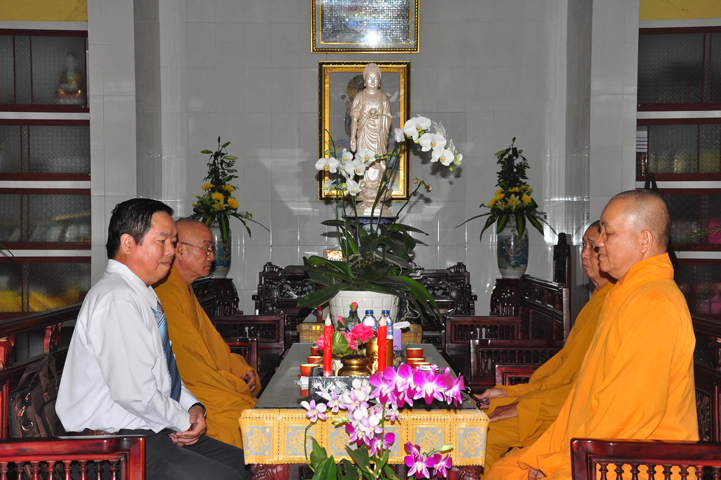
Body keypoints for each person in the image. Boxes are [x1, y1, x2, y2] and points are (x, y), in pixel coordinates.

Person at [484, 190, 698, 480]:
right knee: (505, 470)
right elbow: (585, 394)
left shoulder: (655, 304)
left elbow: (629, 415)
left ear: (644, 241)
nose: (599, 243)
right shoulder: (627, 295)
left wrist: (562, 461)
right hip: (597, 448)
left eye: (608, 233)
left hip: (634, 462)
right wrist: (551, 452)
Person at [56, 198, 250, 480]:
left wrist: (193, 406)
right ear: (127, 243)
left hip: (149, 429)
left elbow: (164, 374)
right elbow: (134, 393)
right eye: (162, 241)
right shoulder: (117, 298)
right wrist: (182, 420)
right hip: (111, 446)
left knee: (246, 464)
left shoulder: (142, 294)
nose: (171, 251)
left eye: (173, 242)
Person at [474, 221, 613, 472]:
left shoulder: (615, 304)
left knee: (485, 435)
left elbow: (586, 388)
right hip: (554, 400)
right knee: (479, 418)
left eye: (593, 248)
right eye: (584, 246)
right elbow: (563, 371)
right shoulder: (597, 300)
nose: (584, 254)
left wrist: (522, 405)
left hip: (569, 411)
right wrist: (511, 394)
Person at [154, 219, 260, 449]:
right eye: (207, 248)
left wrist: (239, 368)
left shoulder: (185, 290)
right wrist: (233, 384)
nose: (212, 257)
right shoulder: (165, 292)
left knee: (258, 415)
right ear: (180, 250)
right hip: (193, 395)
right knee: (245, 422)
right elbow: (188, 366)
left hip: (208, 388)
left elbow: (213, 345)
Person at [350, 62, 393, 216]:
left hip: (378, 137)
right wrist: (353, 138)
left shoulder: (383, 98)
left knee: (378, 161)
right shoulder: (360, 96)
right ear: (365, 80)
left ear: (379, 81)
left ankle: (377, 187)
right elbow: (354, 119)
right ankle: (364, 186)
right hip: (364, 135)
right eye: (370, 78)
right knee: (364, 163)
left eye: (375, 78)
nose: (373, 81)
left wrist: (379, 118)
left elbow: (388, 117)